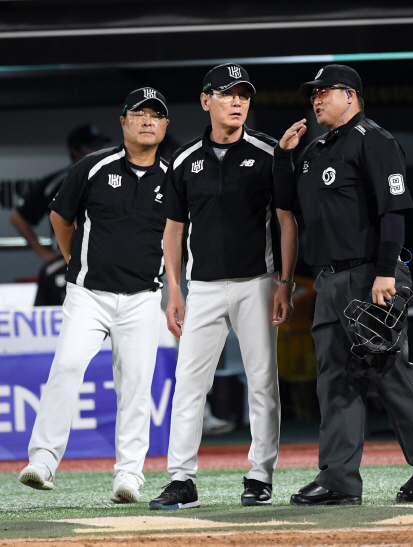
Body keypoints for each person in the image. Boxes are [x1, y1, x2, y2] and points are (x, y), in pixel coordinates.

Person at [274, 64, 413, 506]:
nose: (316, 99)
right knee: (334, 380)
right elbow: (287, 206)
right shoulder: (317, 148)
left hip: (371, 275)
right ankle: (338, 479)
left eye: (325, 92)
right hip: (330, 279)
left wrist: (384, 272)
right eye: (313, 93)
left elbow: (393, 211)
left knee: (390, 371)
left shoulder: (373, 139)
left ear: (351, 96)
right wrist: (284, 157)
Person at [149, 63, 297, 510]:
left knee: (262, 382)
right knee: (190, 382)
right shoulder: (183, 159)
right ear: (205, 101)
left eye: (243, 95)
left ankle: (259, 474)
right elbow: (173, 232)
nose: (237, 102)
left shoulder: (269, 153)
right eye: (227, 93)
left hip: (258, 282)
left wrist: (285, 283)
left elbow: (287, 223)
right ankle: (182, 480)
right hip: (203, 287)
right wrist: (174, 290)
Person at [18, 88, 171, 504]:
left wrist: (173, 289)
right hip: (88, 294)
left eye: (155, 115)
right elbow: (59, 217)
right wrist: (74, 263)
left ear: (165, 126)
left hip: (142, 296)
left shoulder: (174, 176)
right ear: (123, 122)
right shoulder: (94, 166)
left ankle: (129, 474)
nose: (147, 120)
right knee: (65, 367)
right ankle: (43, 461)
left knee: (137, 385)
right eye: (138, 113)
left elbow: (177, 238)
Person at [10, 125, 110, 305]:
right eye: (92, 146)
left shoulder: (114, 180)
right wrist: (43, 252)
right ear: (75, 150)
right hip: (69, 263)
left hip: (109, 262)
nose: (98, 151)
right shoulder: (57, 183)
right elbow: (18, 217)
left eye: (100, 145)